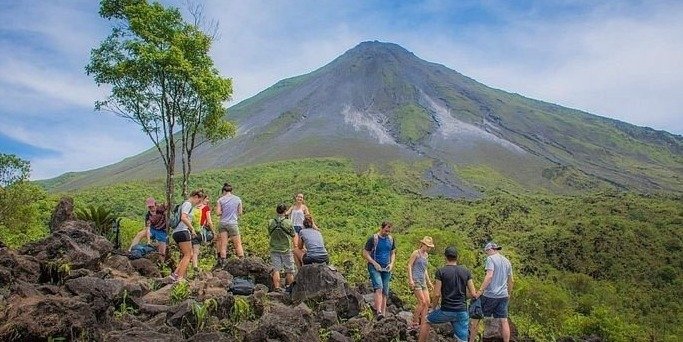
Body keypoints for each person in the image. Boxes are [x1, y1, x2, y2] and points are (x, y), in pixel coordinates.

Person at [418, 246, 477, 342]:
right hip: (461, 311)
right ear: (457, 257)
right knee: (462, 339)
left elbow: (436, 294)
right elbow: (473, 293)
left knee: (426, 320)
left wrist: (433, 308)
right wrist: (461, 296)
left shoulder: (441, 272)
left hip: (446, 310)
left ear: (445, 257)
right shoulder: (466, 271)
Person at [469, 242, 514, 342]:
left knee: (476, 317)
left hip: (490, 295)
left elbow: (489, 276)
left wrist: (479, 292)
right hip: (503, 295)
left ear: (490, 250)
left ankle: (471, 340)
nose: (486, 254)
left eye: (486, 252)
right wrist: (509, 294)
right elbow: (511, 280)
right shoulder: (507, 261)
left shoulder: (490, 259)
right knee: (504, 320)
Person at [362, 221, 396, 320]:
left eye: (389, 231)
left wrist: (391, 264)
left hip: (386, 268)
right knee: (379, 287)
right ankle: (378, 312)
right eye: (386, 230)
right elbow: (365, 253)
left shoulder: (390, 239)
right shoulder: (373, 239)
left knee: (385, 290)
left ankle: (383, 313)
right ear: (381, 228)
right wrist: (374, 263)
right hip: (374, 266)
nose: (387, 233)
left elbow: (393, 253)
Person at [170, 189, 205, 282]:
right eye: (199, 200)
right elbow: (183, 218)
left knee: (190, 254)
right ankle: (180, 278)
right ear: (196, 197)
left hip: (178, 232)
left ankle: (175, 274)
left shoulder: (185, 204)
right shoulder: (188, 204)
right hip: (182, 231)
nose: (199, 203)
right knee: (188, 255)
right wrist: (192, 229)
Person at [408, 236, 435, 329]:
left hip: (422, 280)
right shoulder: (416, 253)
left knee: (427, 302)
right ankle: (415, 321)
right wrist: (410, 279)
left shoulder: (426, 255)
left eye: (430, 247)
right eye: (427, 246)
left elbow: (425, 270)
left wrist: (429, 283)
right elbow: (409, 265)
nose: (429, 248)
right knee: (422, 302)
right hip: (416, 279)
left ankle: (423, 322)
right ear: (423, 244)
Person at [268, 204, 296, 291]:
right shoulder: (288, 222)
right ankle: (290, 289)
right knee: (289, 269)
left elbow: (270, 233)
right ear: (285, 211)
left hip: (274, 248)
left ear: (276, 211)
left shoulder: (270, 221)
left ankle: (277, 288)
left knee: (276, 269)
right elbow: (293, 234)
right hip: (286, 249)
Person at [216, 183, 244, 265]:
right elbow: (240, 212)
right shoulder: (238, 199)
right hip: (233, 223)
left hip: (223, 223)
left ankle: (223, 262)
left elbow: (218, 213)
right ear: (231, 190)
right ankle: (242, 261)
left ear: (224, 191)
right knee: (238, 244)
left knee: (223, 244)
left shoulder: (220, 200)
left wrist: (223, 212)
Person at [190, 194, 215, 272]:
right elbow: (209, 222)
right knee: (219, 239)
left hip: (193, 232)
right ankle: (218, 259)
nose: (208, 201)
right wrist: (214, 232)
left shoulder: (193, 208)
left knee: (195, 251)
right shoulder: (206, 208)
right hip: (202, 233)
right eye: (207, 199)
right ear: (202, 199)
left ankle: (195, 266)